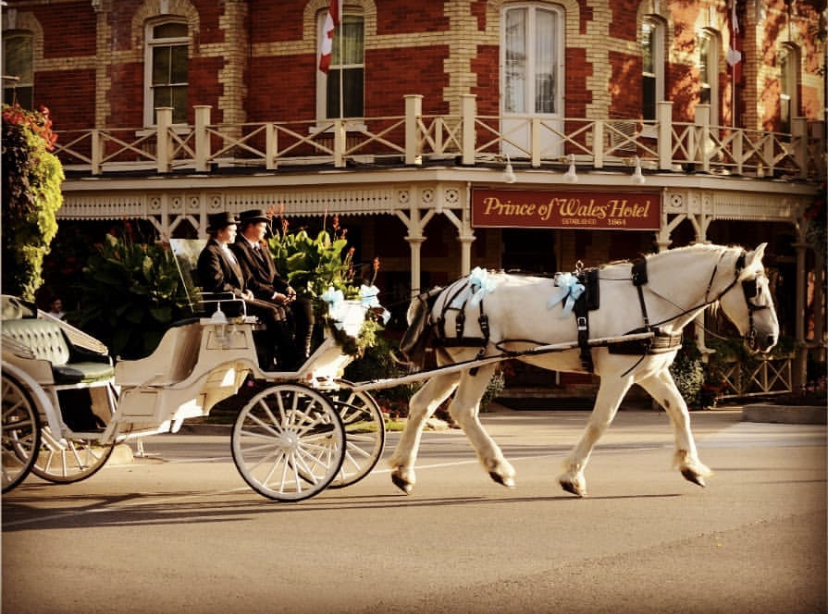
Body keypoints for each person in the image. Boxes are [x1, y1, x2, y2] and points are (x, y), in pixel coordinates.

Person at [197, 211, 300, 370]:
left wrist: (246, 290)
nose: (235, 233)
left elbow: (240, 278)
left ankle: (285, 358)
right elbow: (218, 283)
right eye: (232, 230)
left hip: (237, 298)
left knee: (278, 309)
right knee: (272, 311)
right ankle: (291, 358)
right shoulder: (211, 252)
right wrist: (241, 294)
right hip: (224, 304)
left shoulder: (227, 251)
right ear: (220, 231)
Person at [231, 208, 315, 361]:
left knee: (304, 305)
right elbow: (249, 281)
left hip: (272, 294)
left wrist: (286, 287)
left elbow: (274, 276)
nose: (265, 230)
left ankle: (303, 352)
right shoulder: (238, 249)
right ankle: (290, 357)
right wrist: (274, 295)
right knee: (278, 310)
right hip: (257, 297)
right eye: (262, 226)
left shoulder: (262, 248)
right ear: (250, 226)